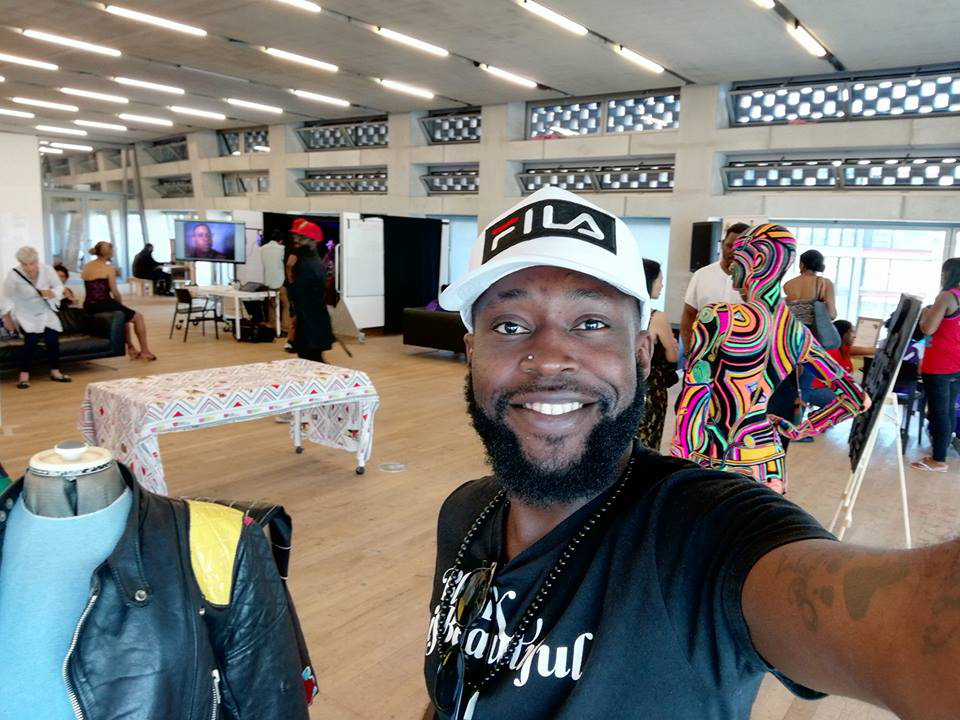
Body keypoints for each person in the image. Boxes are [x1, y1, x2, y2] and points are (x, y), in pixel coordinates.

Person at [423, 187, 960, 720]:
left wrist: (694, 446)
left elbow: (910, 629)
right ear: (472, 354)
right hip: (763, 450)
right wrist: (792, 428)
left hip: (723, 460)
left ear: (640, 355)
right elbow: (454, 690)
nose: (548, 359)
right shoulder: (464, 514)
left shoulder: (706, 534)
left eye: (590, 323)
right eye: (510, 326)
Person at [671, 225, 867, 493]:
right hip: (768, 460)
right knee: (759, 519)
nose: (733, 271)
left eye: (738, 258)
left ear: (759, 259)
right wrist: (800, 430)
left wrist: (681, 461)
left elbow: (695, 392)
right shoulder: (797, 333)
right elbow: (857, 399)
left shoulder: (719, 317)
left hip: (718, 454)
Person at [912, 258, 960, 472]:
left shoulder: (947, 296)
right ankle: (941, 451)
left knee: (938, 411)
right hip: (957, 361)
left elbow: (928, 329)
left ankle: (938, 460)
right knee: (948, 409)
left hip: (939, 362)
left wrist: (925, 314)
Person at [1, 246, 72, 388]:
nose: (28, 268)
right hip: (25, 313)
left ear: (37, 261)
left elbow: (59, 287)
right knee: (31, 342)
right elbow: (5, 297)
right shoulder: (14, 274)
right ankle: (24, 376)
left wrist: (52, 293)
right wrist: (6, 318)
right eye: (24, 264)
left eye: (31, 264)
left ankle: (55, 372)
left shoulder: (47, 270)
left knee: (52, 340)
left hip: (45, 311)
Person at [82, 241, 157, 361]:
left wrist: (119, 307)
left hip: (88, 305)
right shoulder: (108, 268)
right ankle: (145, 351)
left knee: (124, 315)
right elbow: (115, 292)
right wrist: (119, 304)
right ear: (109, 253)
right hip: (103, 303)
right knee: (138, 317)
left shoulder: (87, 266)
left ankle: (131, 348)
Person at [680, 222, 748, 353]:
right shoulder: (701, 275)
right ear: (722, 244)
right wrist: (689, 352)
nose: (733, 251)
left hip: (740, 354)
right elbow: (688, 316)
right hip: (703, 352)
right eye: (729, 245)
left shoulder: (754, 281)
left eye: (740, 247)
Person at [635, 259, 678, 451]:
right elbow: (672, 356)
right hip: (651, 390)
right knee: (648, 447)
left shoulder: (621, 312)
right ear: (648, 281)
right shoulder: (657, 317)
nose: (662, 285)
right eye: (659, 280)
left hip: (623, 385)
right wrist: (673, 344)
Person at [287, 218, 333, 363]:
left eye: (300, 238)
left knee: (311, 362)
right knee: (312, 361)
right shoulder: (311, 260)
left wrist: (289, 271)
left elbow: (296, 293)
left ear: (311, 241)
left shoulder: (307, 264)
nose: (295, 240)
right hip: (312, 321)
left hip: (311, 323)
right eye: (295, 236)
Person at [806, 320, 874, 409]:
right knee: (851, 404)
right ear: (844, 334)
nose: (854, 336)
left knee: (857, 399)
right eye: (852, 332)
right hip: (815, 389)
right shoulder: (832, 351)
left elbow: (866, 350)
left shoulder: (844, 350)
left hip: (830, 388)